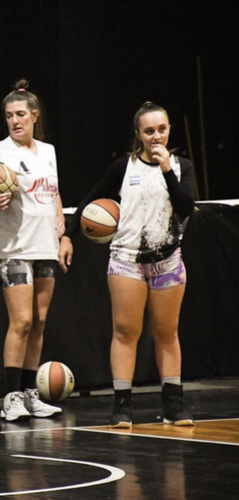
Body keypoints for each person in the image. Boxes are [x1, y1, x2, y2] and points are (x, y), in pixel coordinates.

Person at [58, 101, 196, 428]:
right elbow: (91, 198)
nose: (156, 136)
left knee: (166, 332)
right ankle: (122, 405)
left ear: (169, 130)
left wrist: (165, 170)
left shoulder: (181, 166)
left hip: (167, 260)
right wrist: (68, 236)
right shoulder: (124, 167)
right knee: (125, 332)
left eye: (161, 129)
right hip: (127, 259)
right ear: (138, 134)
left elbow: (186, 206)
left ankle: (174, 403)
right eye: (149, 131)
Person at [0, 80, 65, 422]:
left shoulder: (49, 151)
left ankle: (30, 394)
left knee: (38, 321)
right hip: (13, 247)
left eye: (21, 114)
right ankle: (10, 397)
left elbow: (53, 193)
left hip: (45, 246)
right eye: (9, 115)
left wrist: (61, 233)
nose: (15, 121)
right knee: (21, 320)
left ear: (34, 116)